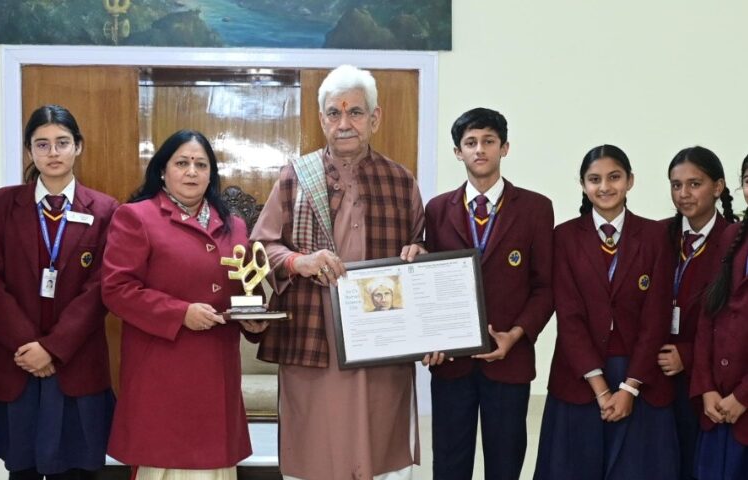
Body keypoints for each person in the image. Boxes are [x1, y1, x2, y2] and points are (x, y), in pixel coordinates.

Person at [249, 64, 434, 480]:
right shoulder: (295, 177)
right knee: (316, 452)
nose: (344, 122)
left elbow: (421, 248)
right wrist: (300, 262)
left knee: (380, 451)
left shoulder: (401, 182)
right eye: (334, 113)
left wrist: (417, 252)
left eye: (355, 112)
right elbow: (263, 248)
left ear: (375, 118)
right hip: (313, 340)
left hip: (381, 344)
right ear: (321, 120)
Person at [101, 129, 267, 479]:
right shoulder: (136, 217)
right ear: (163, 170)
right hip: (162, 373)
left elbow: (246, 286)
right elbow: (116, 289)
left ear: (211, 174)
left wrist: (254, 320)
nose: (192, 172)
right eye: (182, 163)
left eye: (200, 164)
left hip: (217, 373)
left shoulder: (234, 226)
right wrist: (180, 313)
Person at [0, 105, 118, 480]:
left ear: (78, 147)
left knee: (77, 468)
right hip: (14, 359)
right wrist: (29, 347)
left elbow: (101, 286)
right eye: (42, 144)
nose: (53, 153)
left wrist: (52, 348)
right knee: (20, 467)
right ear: (29, 152)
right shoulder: (0, 205)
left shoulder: (105, 210)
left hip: (75, 361)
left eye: (62, 143)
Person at [424, 107, 554, 479]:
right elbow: (429, 284)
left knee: (505, 462)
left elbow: (545, 287)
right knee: (449, 464)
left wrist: (514, 336)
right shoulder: (437, 210)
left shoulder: (535, 208)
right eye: (470, 142)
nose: (479, 149)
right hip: (451, 363)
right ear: (457, 152)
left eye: (488, 141)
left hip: (509, 361)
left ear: (505, 147)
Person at [534, 144, 678, 479]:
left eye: (614, 177)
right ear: (583, 184)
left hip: (639, 373)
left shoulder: (656, 235)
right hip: (580, 375)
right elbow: (569, 317)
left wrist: (629, 388)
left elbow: (656, 317)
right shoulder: (565, 236)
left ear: (630, 181)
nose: (605, 186)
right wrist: (600, 388)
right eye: (594, 179)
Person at [660, 146, 737, 479]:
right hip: (658, 375)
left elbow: (733, 322)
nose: (684, 194)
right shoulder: (659, 236)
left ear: (718, 187)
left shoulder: (734, 242)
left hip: (708, 381)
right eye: (676, 185)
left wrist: (687, 356)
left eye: (695, 184)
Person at [690, 153, 748, 480]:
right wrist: (707, 388)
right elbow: (708, 316)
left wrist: (742, 397)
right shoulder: (732, 236)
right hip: (717, 406)